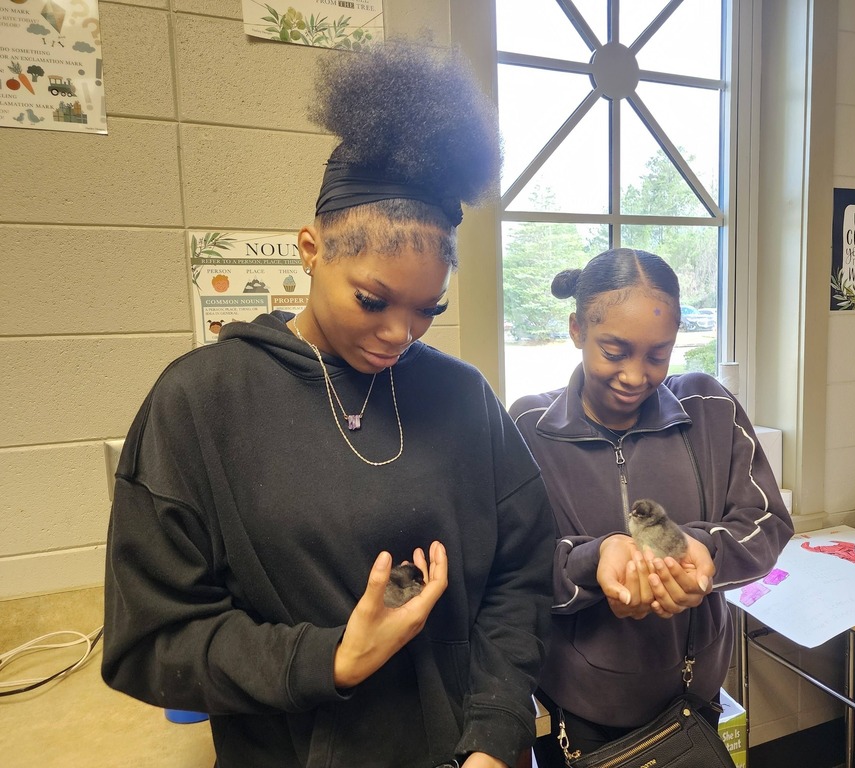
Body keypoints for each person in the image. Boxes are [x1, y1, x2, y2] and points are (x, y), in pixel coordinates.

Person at [102, 40, 554, 768]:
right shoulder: (199, 404)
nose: (399, 335)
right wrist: (329, 660)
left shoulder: (462, 397)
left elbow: (523, 575)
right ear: (311, 248)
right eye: (372, 300)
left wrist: (496, 736)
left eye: (426, 309)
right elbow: (151, 644)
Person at [508, 248, 794, 765]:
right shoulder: (530, 427)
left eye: (657, 355)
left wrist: (706, 552)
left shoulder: (710, 408)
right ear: (576, 330)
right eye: (614, 351)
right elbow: (514, 570)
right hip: (580, 718)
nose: (636, 376)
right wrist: (595, 561)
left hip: (694, 703)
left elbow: (767, 523)